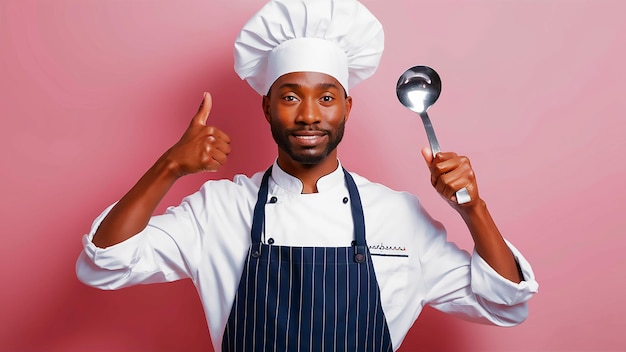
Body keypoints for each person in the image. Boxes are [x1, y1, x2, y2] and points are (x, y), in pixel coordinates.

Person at [76, 0, 539, 350]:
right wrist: (169, 167)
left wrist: (473, 209)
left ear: (347, 107)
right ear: (266, 105)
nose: (309, 116)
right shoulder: (219, 209)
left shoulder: (396, 216)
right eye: (291, 97)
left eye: (326, 97)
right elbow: (105, 264)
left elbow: (504, 303)